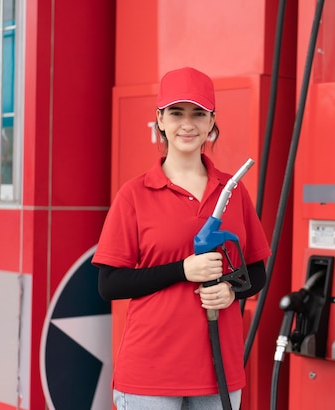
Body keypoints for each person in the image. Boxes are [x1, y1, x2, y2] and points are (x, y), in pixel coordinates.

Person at [92, 67, 271, 410]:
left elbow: (257, 272)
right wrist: (182, 270)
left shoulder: (232, 191)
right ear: (160, 119)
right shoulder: (134, 195)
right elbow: (110, 284)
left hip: (219, 371)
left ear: (210, 122)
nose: (187, 124)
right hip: (151, 376)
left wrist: (233, 290)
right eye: (176, 113)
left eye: (198, 114)